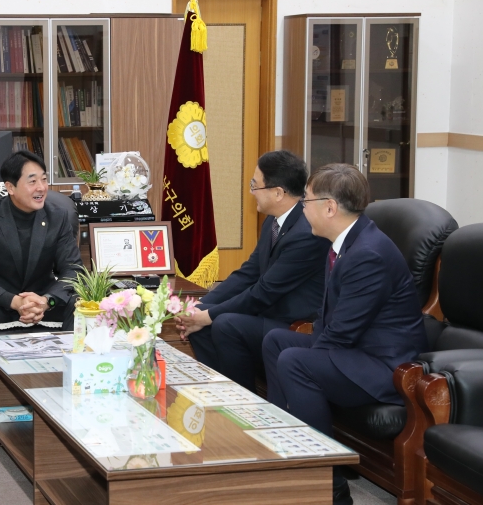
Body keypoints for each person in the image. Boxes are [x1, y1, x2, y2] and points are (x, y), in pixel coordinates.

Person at [262, 163, 428, 505]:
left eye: (305, 200)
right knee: (276, 340)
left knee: (295, 360)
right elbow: (331, 323)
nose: (302, 207)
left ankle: (329, 481)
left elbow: (342, 333)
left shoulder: (368, 254)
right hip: (355, 350)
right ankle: (288, 446)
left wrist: (308, 355)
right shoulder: (343, 241)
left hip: (383, 367)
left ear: (329, 207)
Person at [173, 150, 330, 391]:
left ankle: (243, 399)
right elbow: (249, 272)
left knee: (223, 323)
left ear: (278, 192)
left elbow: (264, 291)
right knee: (202, 320)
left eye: (255, 185)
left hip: (294, 321)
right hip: (269, 310)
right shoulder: (274, 220)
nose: (251, 192)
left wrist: (208, 315)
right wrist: (199, 307)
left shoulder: (305, 234)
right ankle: (220, 393)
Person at [0, 150, 82, 435]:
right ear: (10, 187)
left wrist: (47, 300)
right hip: (1, 301)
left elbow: (73, 270)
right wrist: (14, 301)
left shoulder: (58, 216)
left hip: (42, 301)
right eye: (32, 181)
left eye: (44, 179)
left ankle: (71, 390)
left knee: (80, 303)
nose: (41, 188)